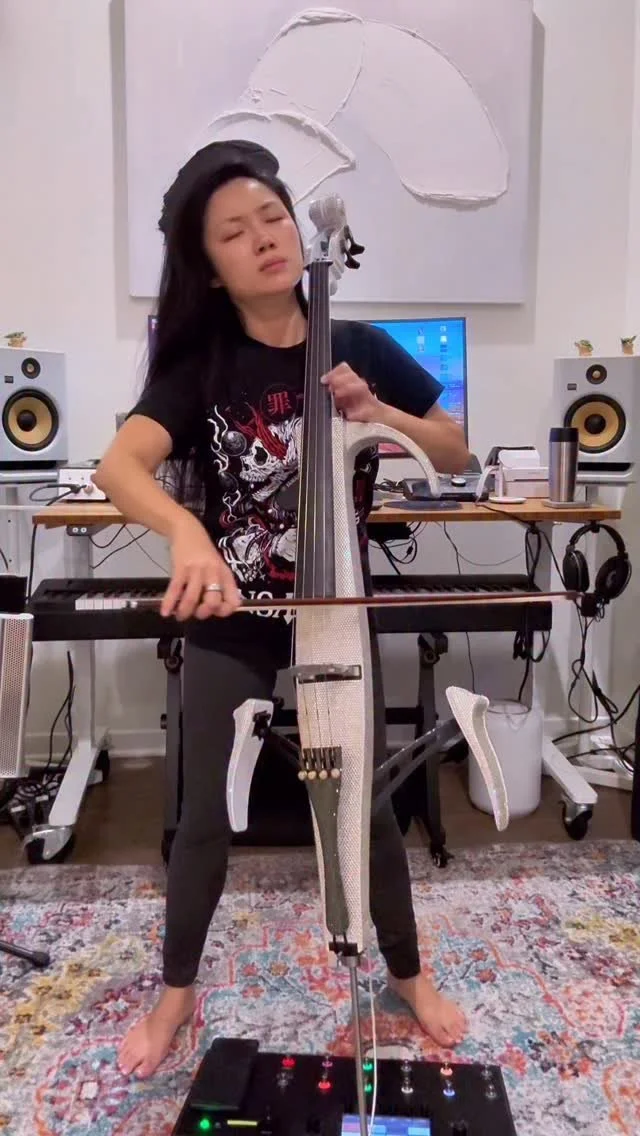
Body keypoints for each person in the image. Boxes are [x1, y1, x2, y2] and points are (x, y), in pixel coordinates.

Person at [94, 140, 471, 1080]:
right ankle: (176, 992)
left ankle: (407, 973)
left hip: (335, 608)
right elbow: (118, 467)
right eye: (235, 231)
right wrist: (187, 533)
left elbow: (455, 451)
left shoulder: (358, 346)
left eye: (272, 216)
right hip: (235, 611)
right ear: (210, 269)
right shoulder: (203, 364)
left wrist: (379, 413)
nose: (264, 237)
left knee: (363, 804)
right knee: (204, 813)